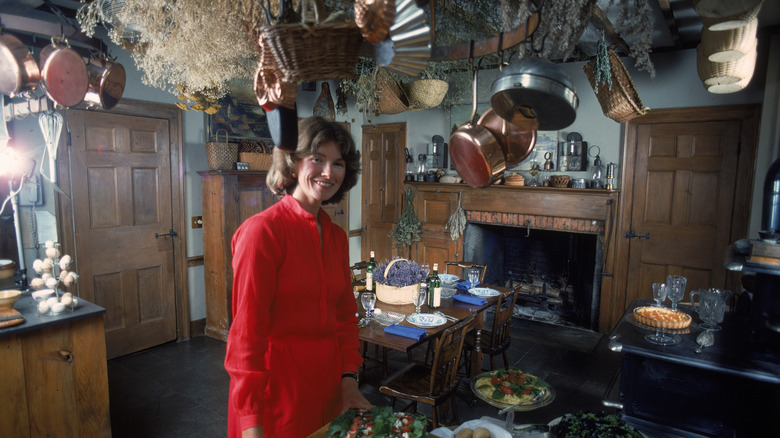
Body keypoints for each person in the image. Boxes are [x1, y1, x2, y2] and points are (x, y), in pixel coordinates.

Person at [225, 116, 372, 437]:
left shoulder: (336, 237)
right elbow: (245, 338)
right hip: (277, 393)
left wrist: (349, 381)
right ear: (293, 163)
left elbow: (345, 319)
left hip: (330, 386)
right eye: (317, 159)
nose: (328, 172)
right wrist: (251, 424)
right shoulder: (262, 232)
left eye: (338, 163)